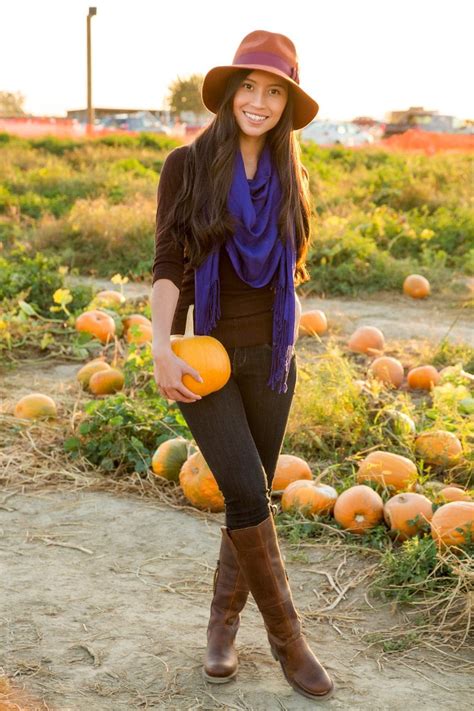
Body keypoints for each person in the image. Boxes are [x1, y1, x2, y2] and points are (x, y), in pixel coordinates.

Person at [150, 29, 334, 701]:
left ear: (287, 104)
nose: (259, 101)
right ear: (230, 93)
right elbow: (171, 260)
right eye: (249, 87)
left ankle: (221, 630)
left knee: (248, 492)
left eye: (274, 91)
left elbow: (292, 267)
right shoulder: (189, 165)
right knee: (250, 492)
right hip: (209, 358)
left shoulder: (290, 174)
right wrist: (160, 344)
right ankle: (291, 643)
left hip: (273, 359)